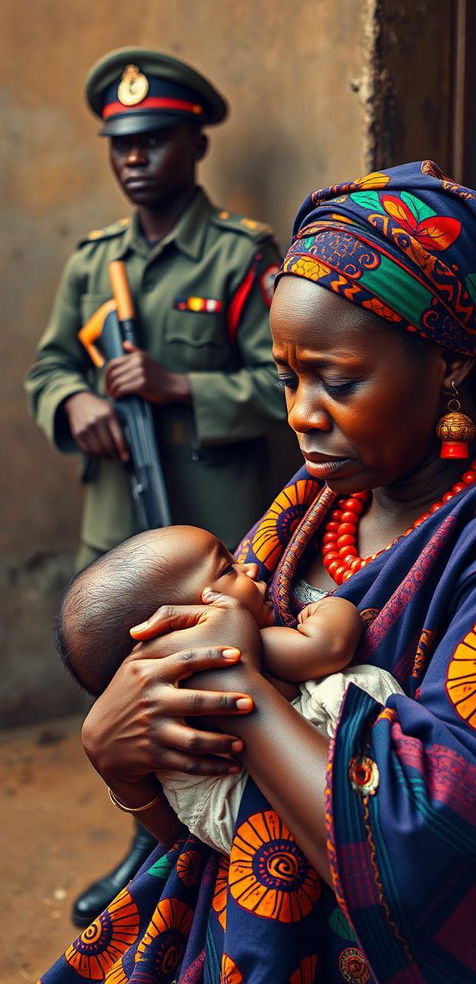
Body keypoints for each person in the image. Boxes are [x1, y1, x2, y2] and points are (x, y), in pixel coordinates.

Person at [39, 161, 476, 983]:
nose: (299, 414)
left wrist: (237, 682)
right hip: (243, 940)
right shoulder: (312, 508)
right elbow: (222, 817)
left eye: (337, 379)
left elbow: (422, 850)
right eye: (288, 377)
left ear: (449, 364)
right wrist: (122, 762)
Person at [24, 47, 286, 927]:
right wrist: (77, 404)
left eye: (154, 141)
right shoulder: (93, 265)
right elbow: (50, 367)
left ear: (194, 146)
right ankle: (147, 854)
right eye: (120, 145)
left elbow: (290, 388)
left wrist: (182, 388)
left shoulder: (240, 256)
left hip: (211, 528)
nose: (134, 158)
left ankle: (218, 862)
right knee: (128, 706)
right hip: (119, 531)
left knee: (213, 703)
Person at [56, 523, 401, 854]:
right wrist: (331, 607)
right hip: (312, 804)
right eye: (227, 570)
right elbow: (328, 647)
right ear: (180, 619)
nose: (251, 567)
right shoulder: (239, 648)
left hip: (224, 827)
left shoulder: (159, 704)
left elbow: (173, 840)